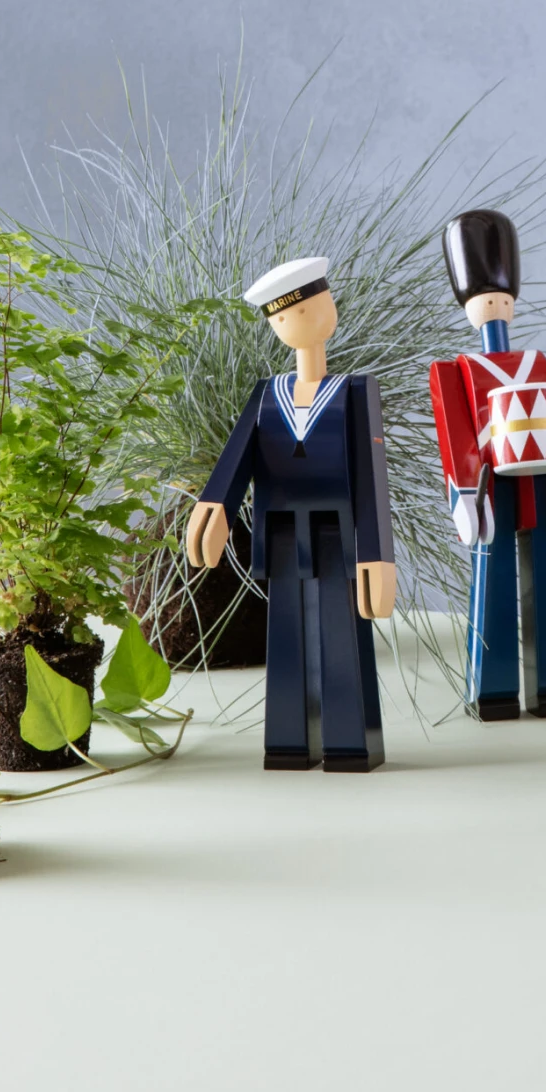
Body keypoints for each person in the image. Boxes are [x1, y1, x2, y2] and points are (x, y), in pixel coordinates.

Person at [186, 256, 396, 771]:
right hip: (280, 533)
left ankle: (349, 743)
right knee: (285, 636)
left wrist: (376, 553)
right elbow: (238, 456)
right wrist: (215, 505)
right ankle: (288, 741)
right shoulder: (267, 395)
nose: (294, 321)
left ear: (329, 307)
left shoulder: (353, 392)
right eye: (282, 316)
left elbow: (370, 476)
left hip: (337, 535)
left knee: (342, 634)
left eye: (304, 307)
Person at [430, 209, 546, 720]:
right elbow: (456, 436)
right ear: (467, 305)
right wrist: (462, 495)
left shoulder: (535, 362)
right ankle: (491, 689)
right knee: (492, 580)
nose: (495, 306)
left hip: (541, 478)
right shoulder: (455, 371)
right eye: (484, 299)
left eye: (502, 298)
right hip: (490, 486)